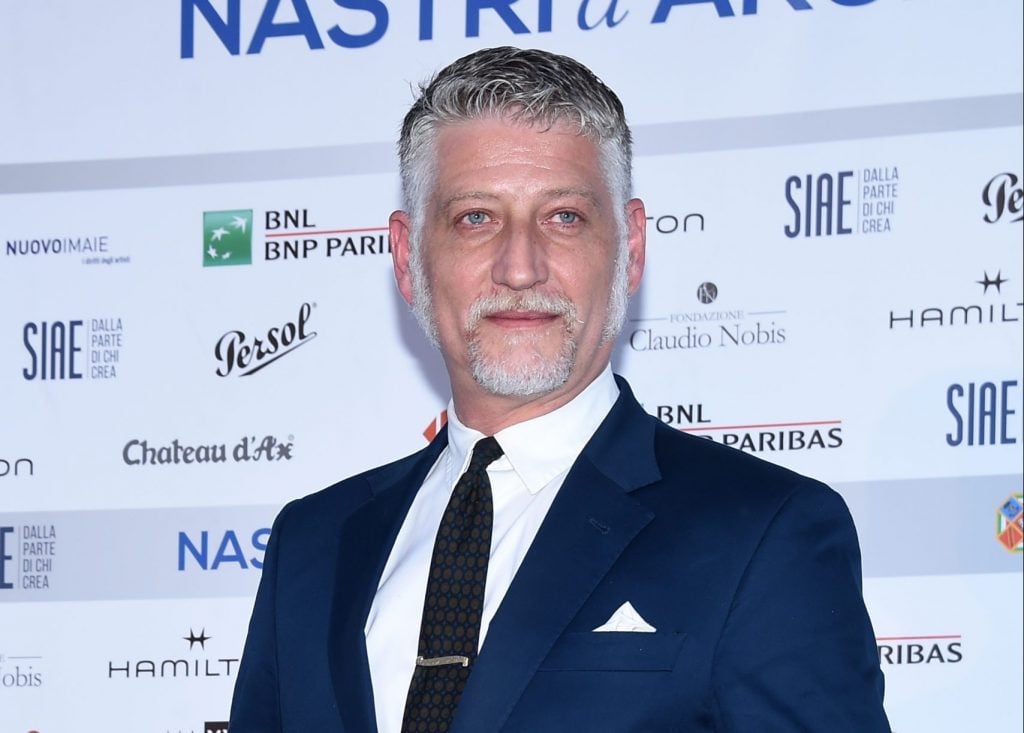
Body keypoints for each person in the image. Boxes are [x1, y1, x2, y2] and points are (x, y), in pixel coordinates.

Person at [229, 46, 890, 732]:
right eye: (475, 218)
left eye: (564, 217)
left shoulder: (764, 532)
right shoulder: (312, 544)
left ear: (631, 248)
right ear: (407, 256)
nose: (520, 267)